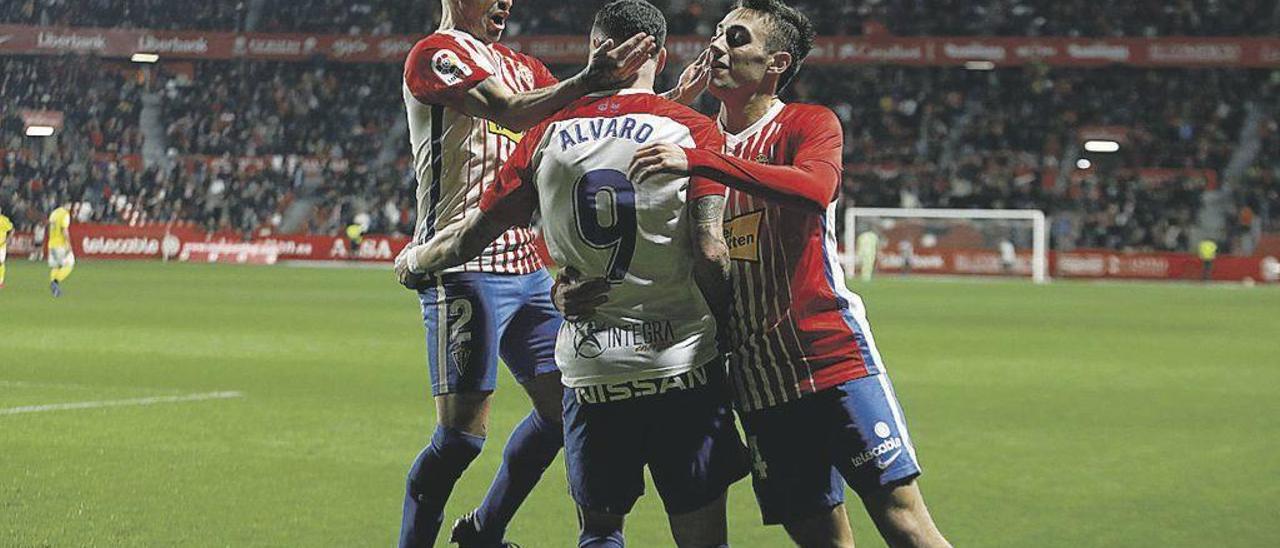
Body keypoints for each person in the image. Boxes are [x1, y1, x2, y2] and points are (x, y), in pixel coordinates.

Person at [582, 1, 953, 546]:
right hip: (756, 379)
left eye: (736, 39)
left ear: (776, 62)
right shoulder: (691, 139)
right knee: (819, 538)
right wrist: (573, 282)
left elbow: (815, 190)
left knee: (904, 522)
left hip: (830, 359)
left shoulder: (807, 123)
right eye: (716, 34)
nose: (717, 47)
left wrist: (702, 162)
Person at [396, 2, 748, 545]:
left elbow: (593, 120)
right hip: (463, 260)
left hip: (527, 258)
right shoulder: (435, 54)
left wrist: (669, 100)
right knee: (462, 439)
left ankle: (485, 531)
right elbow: (514, 112)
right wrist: (596, 81)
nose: (506, 2)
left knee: (563, 411)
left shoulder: (526, 66)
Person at [47, 203, 75, 298]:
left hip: (51, 243)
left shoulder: (54, 213)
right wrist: (69, 244)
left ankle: (53, 285)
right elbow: (64, 230)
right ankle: (55, 282)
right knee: (70, 264)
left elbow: (49, 228)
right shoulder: (65, 214)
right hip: (60, 245)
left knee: (56, 266)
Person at [0, 207, 12, 289]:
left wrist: (8, 239)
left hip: (1, 246)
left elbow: (11, 229)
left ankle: (0, 281)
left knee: (1, 263)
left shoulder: (4, 220)